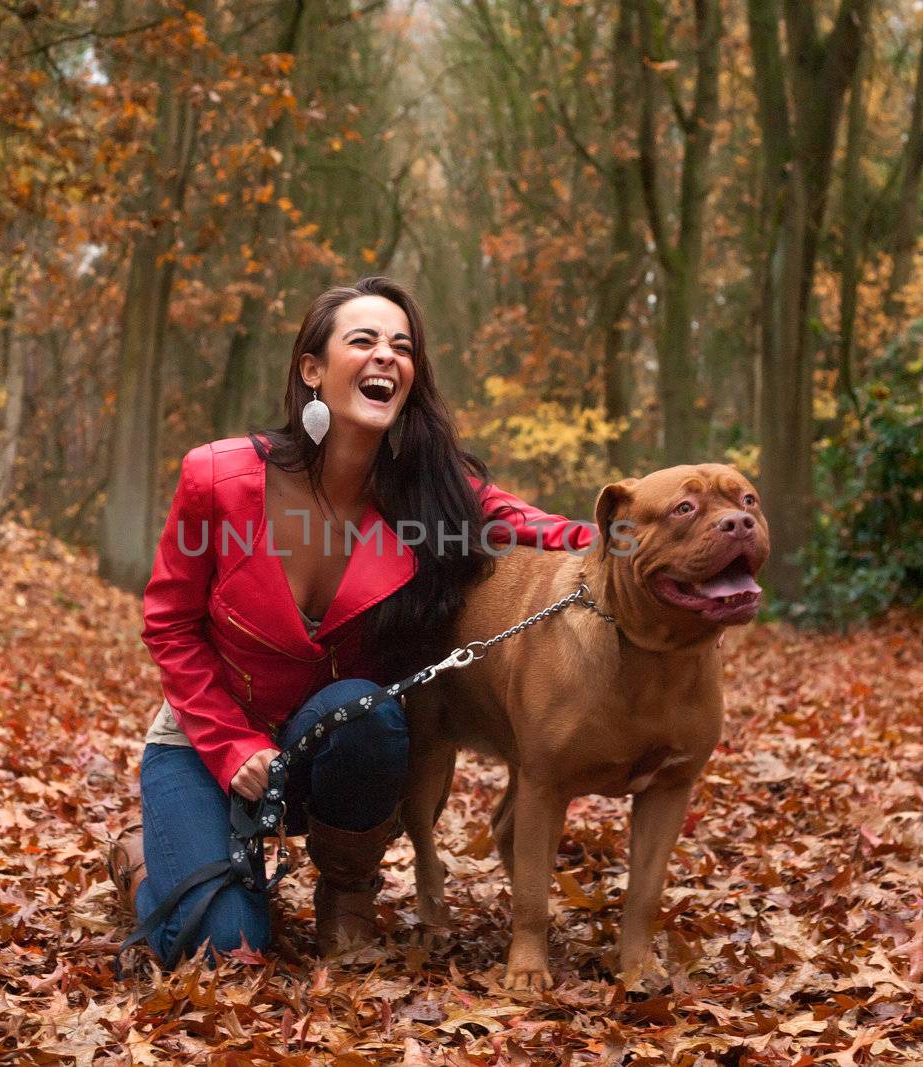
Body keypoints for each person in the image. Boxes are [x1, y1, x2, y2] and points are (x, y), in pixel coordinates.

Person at [107, 275, 596, 966]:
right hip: (207, 739)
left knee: (366, 709)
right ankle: (142, 860)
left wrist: (642, 540)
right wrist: (228, 744)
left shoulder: (430, 491)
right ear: (312, 368)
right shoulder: (214, 477)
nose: (385, 357)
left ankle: (346, 894)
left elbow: (537, 526)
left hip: (333, 747)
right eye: (362, 340)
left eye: (402, 346)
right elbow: (170, 627)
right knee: (224, 952)